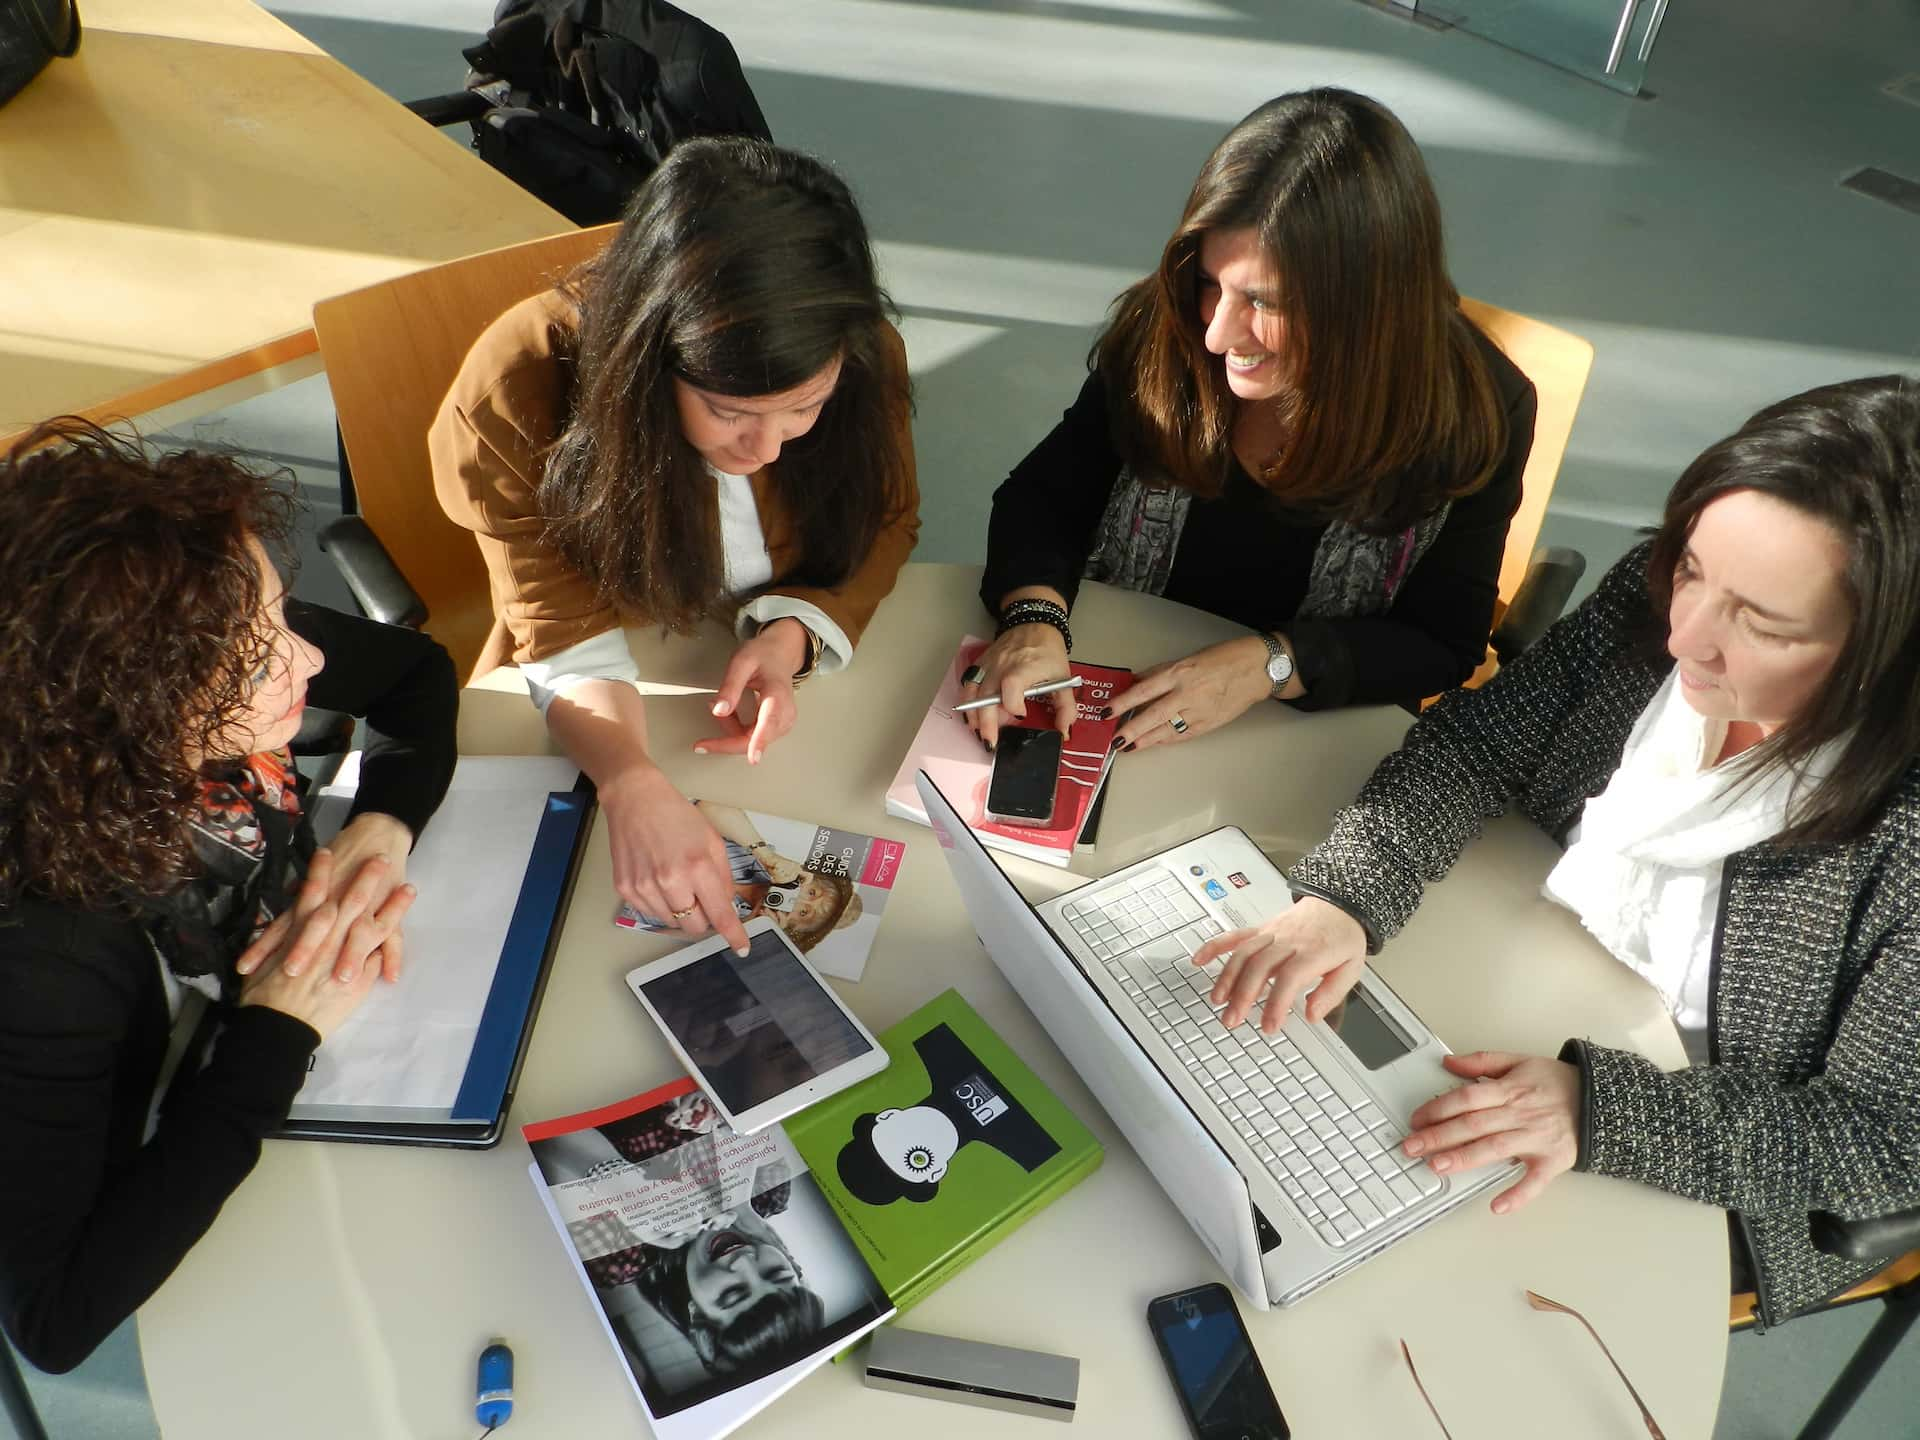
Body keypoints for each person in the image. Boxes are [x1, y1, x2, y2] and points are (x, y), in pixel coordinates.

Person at [1192, 376, 1920, 1326]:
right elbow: (1479, 742)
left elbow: (1883, 1138)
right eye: (1695, 568)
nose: (1684, 635)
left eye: (1763, 624)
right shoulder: (1649, 600)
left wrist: (1600, 1113)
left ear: (1885, 655)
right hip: (1512, 982)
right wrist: (1347, 898)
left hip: (1698, 1151)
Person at [0, 422, 459, 1372]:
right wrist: (278, 1029)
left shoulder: (201, 616)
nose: (309, 662)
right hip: (194, 1117)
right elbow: (54, 1320)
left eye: (285, 616)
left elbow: (415, 677)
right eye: (260, 663)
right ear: (128, 718)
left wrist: (384, 822)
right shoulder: (42, 959)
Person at [432, 136, 919, 956]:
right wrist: (627, 779)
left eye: (806, 408)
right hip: (612, 672)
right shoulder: (515, 384)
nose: (768, 448)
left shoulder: (862, 349)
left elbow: (886, 519)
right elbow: (562, 634)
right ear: (647, 364)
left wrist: (794, 630)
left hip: (755, 682)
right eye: (731, 414)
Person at [966, 88, 1536, 749]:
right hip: (1123, 689)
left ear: (1367, 306)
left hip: (1300, 734)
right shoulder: (1169, 325)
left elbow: (1442, 641)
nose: (1217, 336)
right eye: (1213, 282)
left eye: (1266, 301)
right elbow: (1045, 497)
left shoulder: (1476, 411)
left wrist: (1271, 662)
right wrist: (1034, 620)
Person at [623, 801, 860, 953]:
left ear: (792, 925)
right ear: (809, 877)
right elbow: (707, 805)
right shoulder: (756, 853)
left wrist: (740, 927)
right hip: (632, 842)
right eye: (811, 893)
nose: (799, 899)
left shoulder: (736, 927)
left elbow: (647, 935)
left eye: (804, 912)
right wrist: (767, 855)